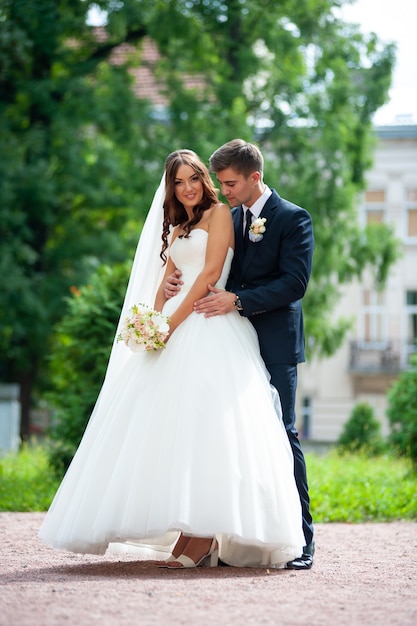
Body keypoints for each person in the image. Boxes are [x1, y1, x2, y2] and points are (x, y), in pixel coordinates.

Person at [38, 149, 305, 569]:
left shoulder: (221, 215)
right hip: (177, 322)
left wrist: (170, 324)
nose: (187, 188)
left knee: (207, 426)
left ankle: (203, 537)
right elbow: (169, 278)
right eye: (178, 182)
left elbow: (209, 273)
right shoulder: (179, 225)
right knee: (171, 427)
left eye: (193, 180)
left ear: (205, 179)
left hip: (206, 322)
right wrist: (155, 311)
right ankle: (189, 533)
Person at [165, 140, 315, 570]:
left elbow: (294, 284)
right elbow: (211, 267)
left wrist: (238, 301)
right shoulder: (228, 218)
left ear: (255, 177)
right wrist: (178, 282)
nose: (224, 190)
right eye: (221, 183)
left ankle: (299, 540)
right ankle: (233, 539)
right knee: (232, 438)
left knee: (282, 434)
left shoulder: (292, 218)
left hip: (274, 342)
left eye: (230, 183)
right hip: (227, 342)